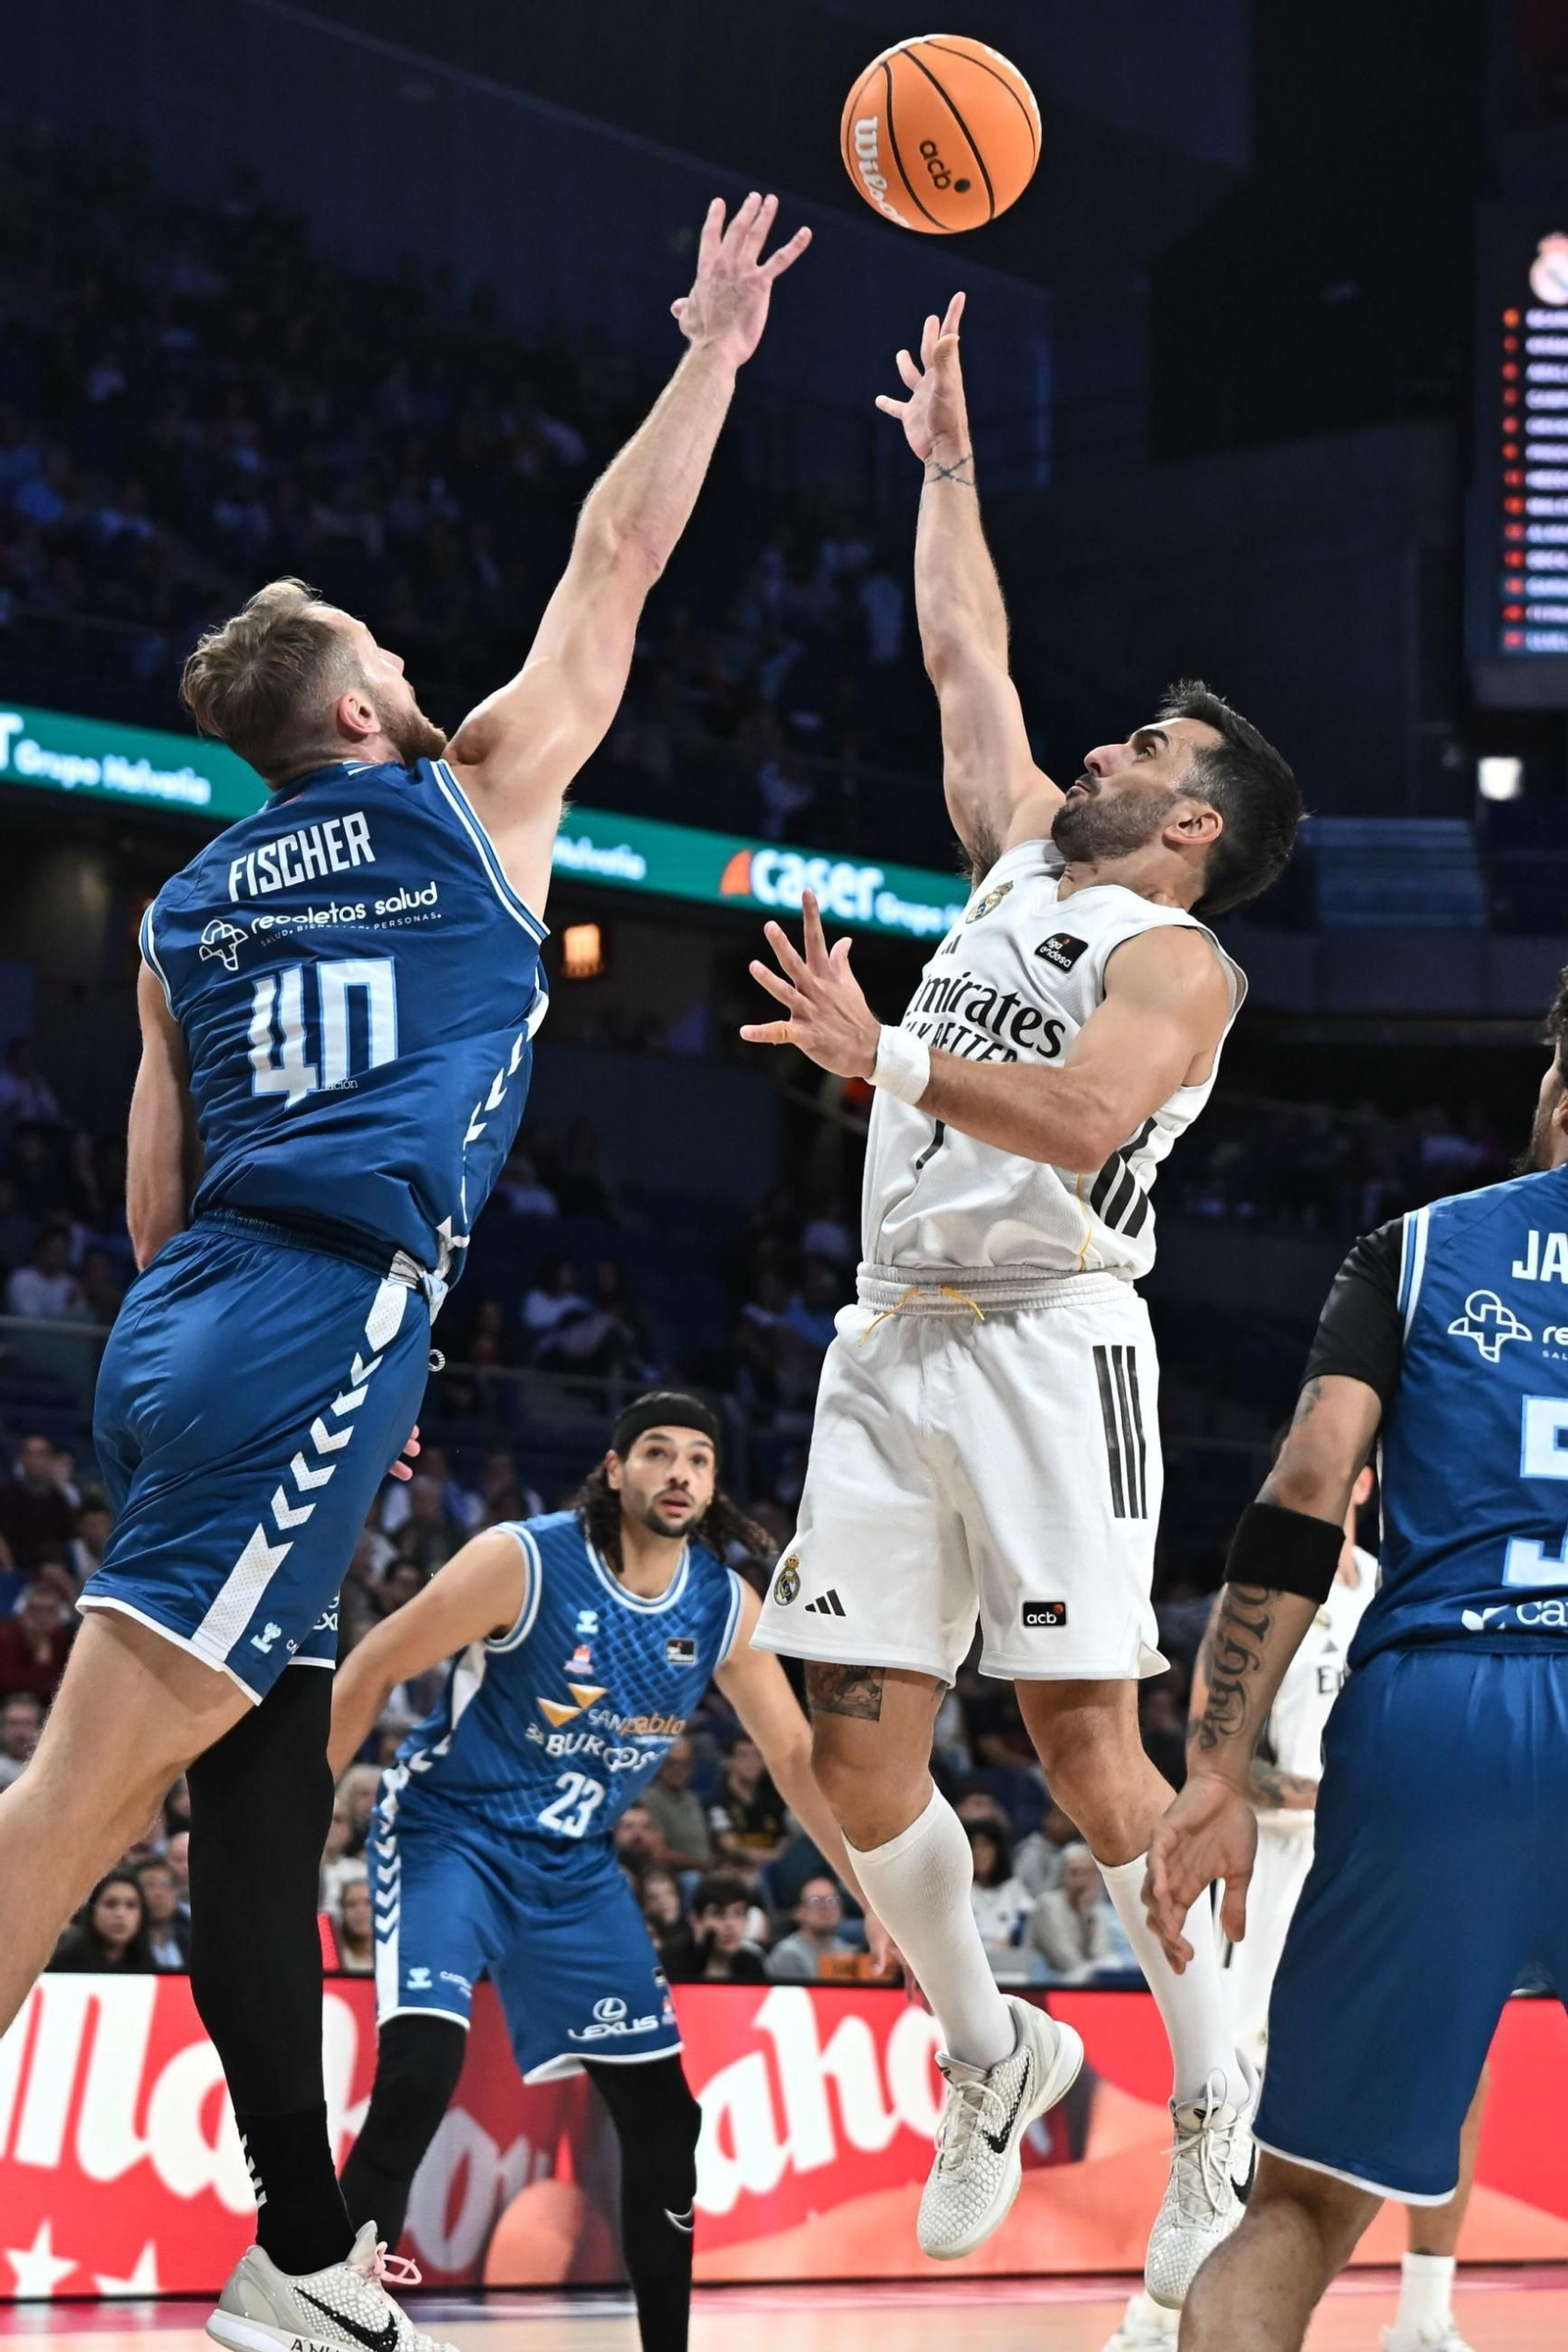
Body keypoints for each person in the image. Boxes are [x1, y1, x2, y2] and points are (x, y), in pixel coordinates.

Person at [0, 192, 809, 2352]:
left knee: (258, 1799)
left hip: (185, 1333)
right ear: (362, 696)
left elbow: (154, 1211)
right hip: (311, 1324)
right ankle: (289, 2248)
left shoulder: (182, 912)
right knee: (62, 1818)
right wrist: (713, 350)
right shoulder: (473, 802)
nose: (415, 666)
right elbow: (613, 562)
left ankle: (296, 2246)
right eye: (387, 647)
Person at [744, 292, 1301, 2296]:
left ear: (1188, 827)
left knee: (1085, 1759)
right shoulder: (1006, 862)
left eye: (1138, 745)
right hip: (891, 1338)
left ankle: (1220, 2107)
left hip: (1054, 1350)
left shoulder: (1180, 968)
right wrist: (951, 463)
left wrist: (879, 1054)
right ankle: (992, 2053)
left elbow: (1075, 1120)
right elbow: (956, 646)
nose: (1091, 741)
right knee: (851, 1760)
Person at [1143, 967, 1568, 2352]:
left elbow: (1310, 1486)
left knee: (1298, 2212)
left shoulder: (1422, 1251)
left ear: (1557, 1091)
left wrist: (1214, 1767)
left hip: (1441, 1707)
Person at [328, 1394, 879, 2352]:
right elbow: (371, 1665)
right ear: (615, 1470)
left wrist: (879, 1899)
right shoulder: (526, 1558)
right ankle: (325, 2304)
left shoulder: (721, 1605)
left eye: (699, 1459)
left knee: (666, 2124)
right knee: (423, 2069)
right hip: (450, 1833)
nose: (679, 1473)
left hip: (572, 1871)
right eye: (657, 1454)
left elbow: (794, 1761)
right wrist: (300, 1830)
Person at [1104, 1464, 1487, 2352]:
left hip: (1385, 1870)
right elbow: (1210, 1751)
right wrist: (1318, 1794)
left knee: (1453, 2079)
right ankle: (1157, 2313)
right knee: (1226, 2095)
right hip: (1274, 1866)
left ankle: (1425, 2320)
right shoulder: (1263, 1591)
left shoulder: (1399, 1589)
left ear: (1362, 1483)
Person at [1027, 1843, 1130, 1986]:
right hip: (1046, 1984)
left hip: (1083, 1984)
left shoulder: (1095, 1910)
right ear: (1063, 1875)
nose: (1080, 1880)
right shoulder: (1048, 1906)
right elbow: (1067, 1961)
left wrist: (1086, 1916)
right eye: (1074, 1873)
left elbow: (1102, 1957)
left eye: (1086, 1873)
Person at [50, 1870, 155, 1972]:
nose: (120, 1913)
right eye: (110, 1904)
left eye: (131, 1905)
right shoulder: (60, 1968)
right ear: (92, 1911)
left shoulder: (153, 1971)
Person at [642, 1735, 716, 1871]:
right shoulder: (648, 1799)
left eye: (685, 1764)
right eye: (671, 1763)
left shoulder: (693, 1799)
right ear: (659, 1765)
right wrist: (701, 1866)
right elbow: (658, 1852)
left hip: (706, 1870)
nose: (678, 1769)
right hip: (677, 1874)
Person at [765, 1874, 856, 1981]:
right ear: (799, 1911)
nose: (826, 1907)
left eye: (832, 1900)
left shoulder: (847, 1951)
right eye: (816, 1901)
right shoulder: (787, 1955)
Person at [689, 1870, 768, 1983]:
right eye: (719, 1914)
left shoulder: (753, 1964)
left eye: (738, 1913)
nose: (730, 1924)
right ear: (697, 1921)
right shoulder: (672, 1963)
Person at [138, 1854, 192, 1971]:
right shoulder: (122, 1947)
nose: (159, 1894)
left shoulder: (190, 1938)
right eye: (149, 1885)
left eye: (166, 1884)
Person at [330, 1872, 375, 1975]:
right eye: (351, 1904)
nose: (360, 1910)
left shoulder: (394, 1956)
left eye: (368, 1903)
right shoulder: (332, 1959)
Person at [0, 1690, 42, 1788]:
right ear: (2, 1728)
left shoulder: (50, 1769)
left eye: (27, 1723)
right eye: (13, 1723)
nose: (20, 1731)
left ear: (39, 1728)